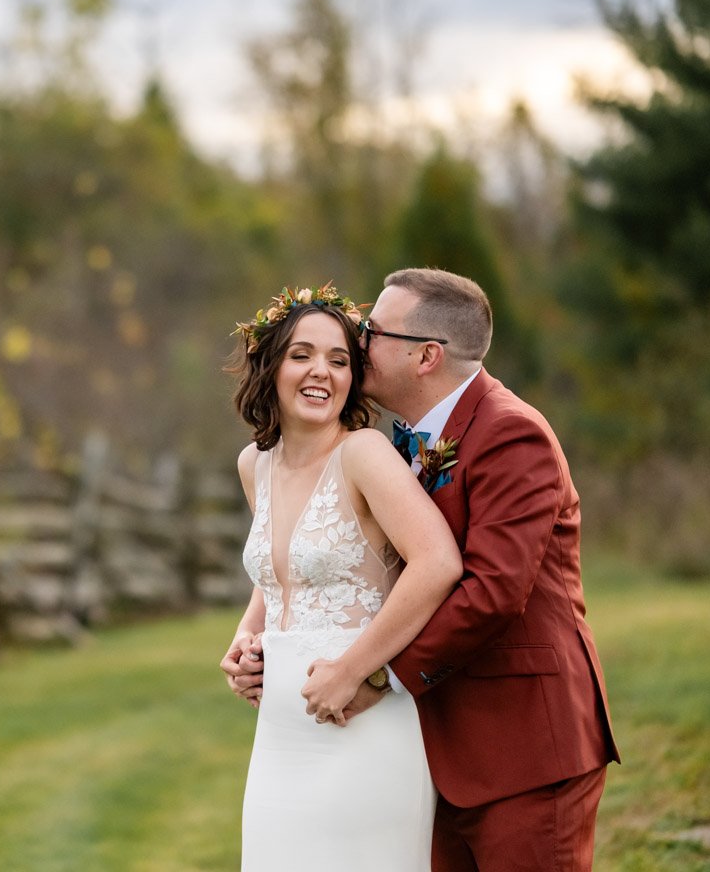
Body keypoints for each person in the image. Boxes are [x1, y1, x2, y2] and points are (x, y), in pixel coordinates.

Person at [226, 268, 621, 872]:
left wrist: (372, 674)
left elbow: (490, 592)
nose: (357, 347)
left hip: (521, 743)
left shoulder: (512, 434)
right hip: (430, 738)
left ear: (427, 356)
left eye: (369, 332)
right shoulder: (405, 438)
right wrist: (255, 642)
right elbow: (300, 565)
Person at [220, 282, 463, 870]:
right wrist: (244, 639)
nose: (320, 372)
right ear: (270, 364)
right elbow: (283, 572)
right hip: (279, 735)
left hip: (359, 720)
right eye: (302, 354)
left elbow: (439, 563)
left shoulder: (364, 455)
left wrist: (357, 670)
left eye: (338, 360)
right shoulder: (255, 465)